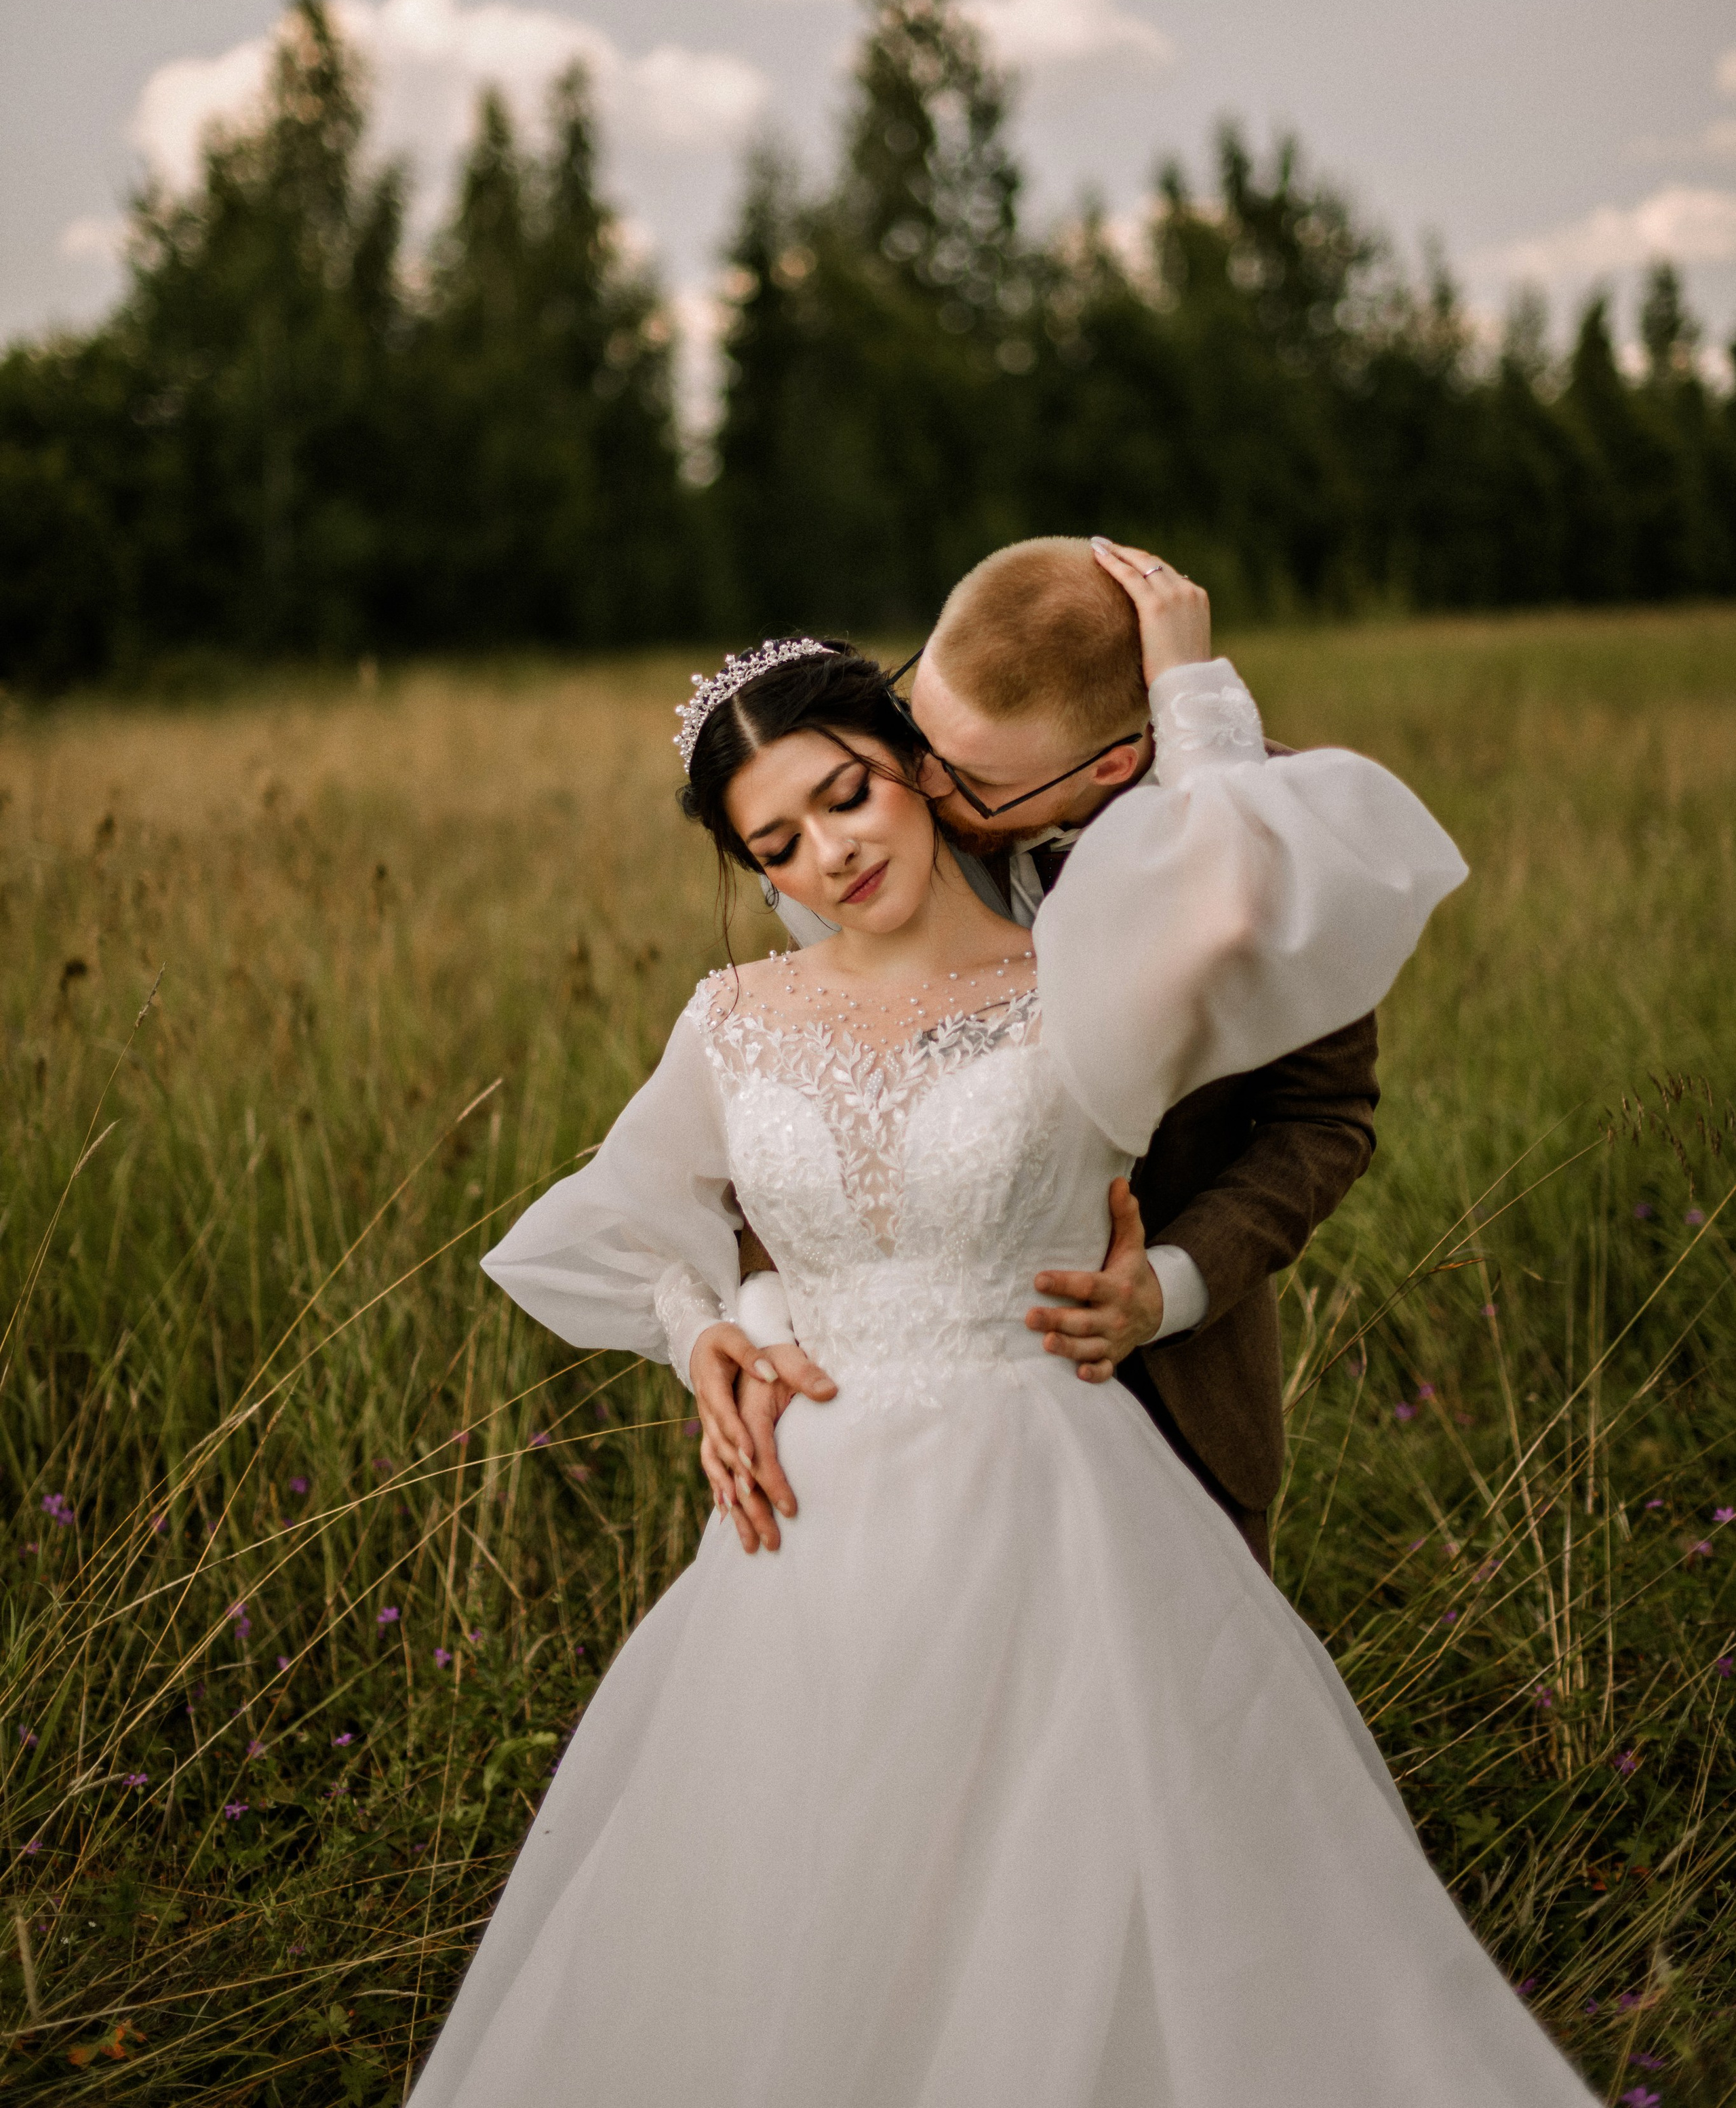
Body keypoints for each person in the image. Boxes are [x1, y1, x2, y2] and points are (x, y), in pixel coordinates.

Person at [410, 628, 1596, 2106]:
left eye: (845, 796)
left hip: (1051, 1499)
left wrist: (1183, 689)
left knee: (1075, 1880)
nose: (828, 853)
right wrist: (710, 1332)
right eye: (775, 840)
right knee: (809, 1887)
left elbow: (1247, 907)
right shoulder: (734, 1021)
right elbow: (625, 1221)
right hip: (807, 1524)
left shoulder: (1085, 986)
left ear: (916, 766)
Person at [705, 536, 1375, 1574]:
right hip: (885, 1436)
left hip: (1175, 1401)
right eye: (913, 732)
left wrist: (1171, 1284)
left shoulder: (1278, 836)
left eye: (968, 781)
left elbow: (1321, 1119)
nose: (918, 786)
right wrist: (759, 1316)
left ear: (1110, 762)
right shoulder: (876, 809)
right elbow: (795, 1116)